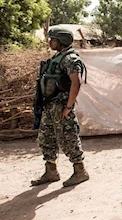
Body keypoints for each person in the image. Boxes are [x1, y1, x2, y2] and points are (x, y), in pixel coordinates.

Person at [31, 27, 89, 187]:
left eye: (53, 39)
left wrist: (68, 107)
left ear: (61, 41)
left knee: (67, 137)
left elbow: (76, 83)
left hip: (61, 105)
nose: (50, 42)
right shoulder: (58, 57)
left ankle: (80, 171)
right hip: (50, 106)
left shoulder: (69, 58)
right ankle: (51, 171)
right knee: (45, 138)